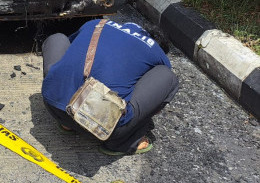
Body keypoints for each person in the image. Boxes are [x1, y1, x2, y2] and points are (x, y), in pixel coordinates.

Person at [41, 19, 179, 155]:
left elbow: (73, 50)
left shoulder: (97, 23)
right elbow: (154, 95)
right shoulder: (156, 51)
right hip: (104, 128)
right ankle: (125, 142)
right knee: (168, 77)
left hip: (54, 106)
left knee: (57, 39)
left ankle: (67, 121)